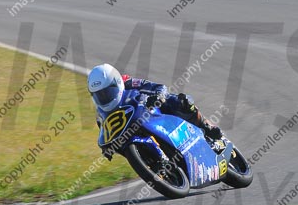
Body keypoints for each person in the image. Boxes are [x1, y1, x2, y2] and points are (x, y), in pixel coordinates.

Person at [87, 63, 225, 152]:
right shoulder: (100, 112)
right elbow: (105, 131)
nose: (104, 98)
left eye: (107, 92)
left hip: (148, 110)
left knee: (180, 102)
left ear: (116, 83)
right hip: (131, 129)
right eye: (99, 95)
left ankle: (207, 127)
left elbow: (157, 87)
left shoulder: (127, 82)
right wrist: (106, 148)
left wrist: (158, 96)